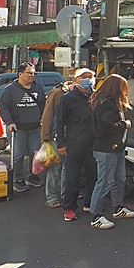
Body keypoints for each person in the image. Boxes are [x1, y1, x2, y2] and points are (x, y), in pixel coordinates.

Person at [88, 74, 134, 230]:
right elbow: (105, 128)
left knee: (119, 179)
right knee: (104, 182)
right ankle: (96, 216)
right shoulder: (106, 105)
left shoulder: (114, 103)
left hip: (117, 147)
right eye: (123, 88)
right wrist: (125, 124)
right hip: (106, 148)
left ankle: (118, 208)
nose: (125, 91)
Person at [57, 68, 98, 222]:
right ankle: (69, 208)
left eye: (91, 77)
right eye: (84, 77)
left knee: (93, 175)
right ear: (76, 80)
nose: (88, 79)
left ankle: (89, 203)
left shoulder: (96, 96)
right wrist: (61, 142)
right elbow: (59, 121)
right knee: (72, 177)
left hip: (93, 143)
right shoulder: (68, 98)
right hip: (74, 143)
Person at [0, 63, 46, 193]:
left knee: (35, 154)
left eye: (34, 73)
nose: (32, 75)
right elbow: (3, 107)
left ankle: (33, 176)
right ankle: (18, 179)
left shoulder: (38, 88)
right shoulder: (10, 90)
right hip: (18, 129)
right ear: (20, 74)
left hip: (34, 127)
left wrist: (42, 118)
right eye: (29, 73)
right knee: (18, 155)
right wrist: (9, 122)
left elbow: (43, 104)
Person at [41, 76, 74, 209]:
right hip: (57, 137)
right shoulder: (58, 93)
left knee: (68, 168)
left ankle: (66, 193)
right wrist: (46, 137)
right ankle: (51, 197)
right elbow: (47, 115)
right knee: (55, 168)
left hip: (72, 137)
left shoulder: (83, 94)